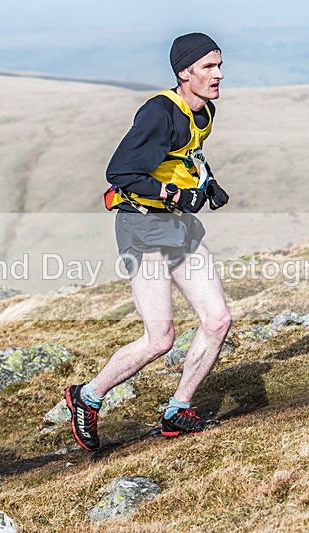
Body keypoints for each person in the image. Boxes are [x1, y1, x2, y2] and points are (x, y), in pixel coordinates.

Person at [65, 32, 232, 452]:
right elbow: (120, 172)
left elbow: (184, 153)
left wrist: (207, 182)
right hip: (141, 229)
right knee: (160, 338)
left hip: (178, 227)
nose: (218, 74)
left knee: (217, 321)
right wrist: (174, 194)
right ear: (185, 73)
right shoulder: (160, 111)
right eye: (208, 67)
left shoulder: (204, 111)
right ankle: (87, 396)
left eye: (219, 65)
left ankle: (178, 409)